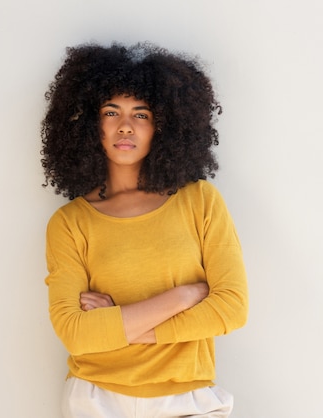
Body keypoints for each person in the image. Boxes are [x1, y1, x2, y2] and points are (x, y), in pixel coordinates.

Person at [40, 42, 248, 418]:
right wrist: (184, 296)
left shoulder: (199, 201)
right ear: (92, 123)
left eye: (141, 114)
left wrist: (118, 321)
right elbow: (75, 333)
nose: (125, 126)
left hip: (188, 399)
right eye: (110, 111)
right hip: (96, 399)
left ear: (162, 126)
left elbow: (231, 308)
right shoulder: (71, 222)